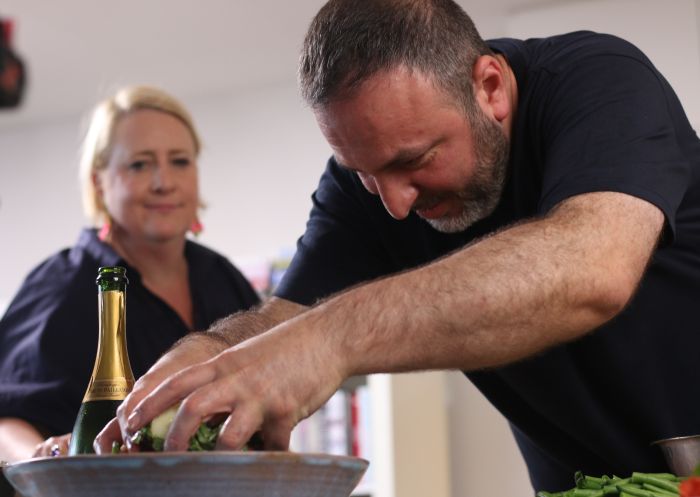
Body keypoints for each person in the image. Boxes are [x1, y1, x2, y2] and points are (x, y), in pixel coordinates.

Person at [97, 0, 700, 493]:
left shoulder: (598, 80)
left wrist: (332, 339)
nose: (394, 205)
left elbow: (592, 268)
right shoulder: (368, 186)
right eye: (362, 173)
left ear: (489, 87)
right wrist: (204, 360)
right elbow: (286, 319)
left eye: (414, 161)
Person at [0, 85, 260, 462]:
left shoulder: (224, 278)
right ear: (98, 183)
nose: (164, 181)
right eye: (140, 164)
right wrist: (43, 459)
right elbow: (6, 417)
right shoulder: (60, 287)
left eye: (180, 161)